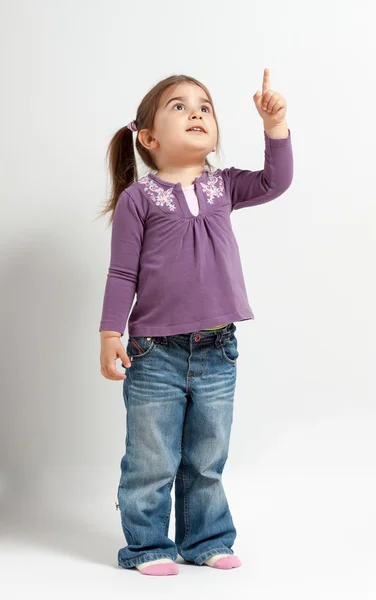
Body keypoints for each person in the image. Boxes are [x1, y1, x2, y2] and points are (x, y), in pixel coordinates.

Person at [98, 68, 293, 576]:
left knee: (207, 458)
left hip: (217, 350)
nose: (197, 113)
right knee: (151, 461)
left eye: (204, 106)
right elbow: (122, 273)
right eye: (180, 106)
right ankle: (145, 546)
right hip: (153, 354)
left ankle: (205, 538)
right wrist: (109, 333)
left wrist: (275, 125)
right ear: (149, 137)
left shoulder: (223, 187)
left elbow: (277, 181)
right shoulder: (137, 200)